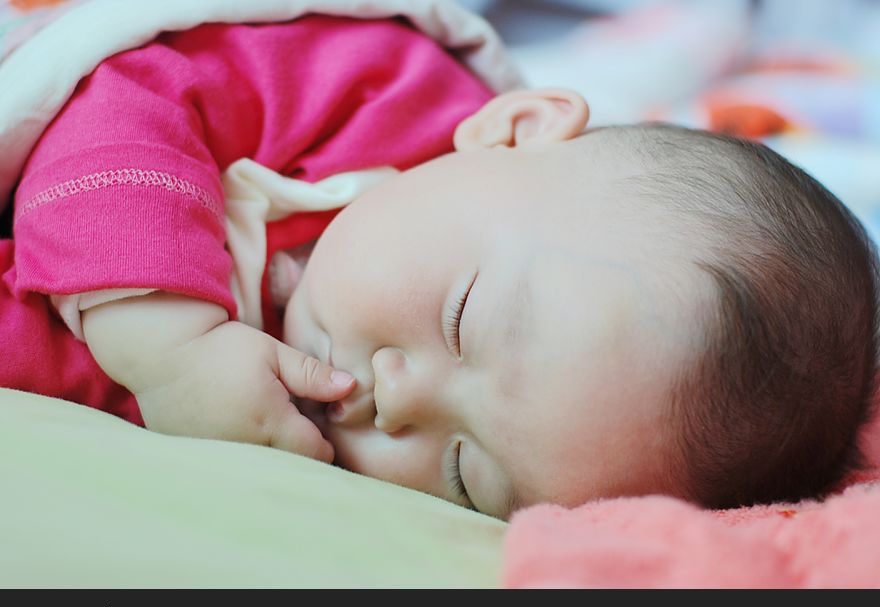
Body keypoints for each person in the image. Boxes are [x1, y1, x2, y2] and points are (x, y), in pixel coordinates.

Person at [2, 17, 877, 519]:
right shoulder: (376, 88)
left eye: (463, 470)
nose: (399, 398)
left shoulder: (282, 444)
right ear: (516, 130)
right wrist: (165, 343)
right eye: (462, 315)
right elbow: (128, 93)